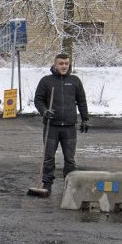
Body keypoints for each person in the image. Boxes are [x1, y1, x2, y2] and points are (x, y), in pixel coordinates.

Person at [33, 52, 90, 195]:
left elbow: (82, 101)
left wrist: (85, 119)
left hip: (69, 127)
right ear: (55, 64)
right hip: (51, 126)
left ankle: (70, 185)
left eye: (66, 63)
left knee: (70, 159)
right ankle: (47, 185)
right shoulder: (46, 81)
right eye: (61, 63)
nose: (64, 66)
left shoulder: (75, 81)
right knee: (48, 158)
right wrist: (44, 111)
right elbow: (38, 100)